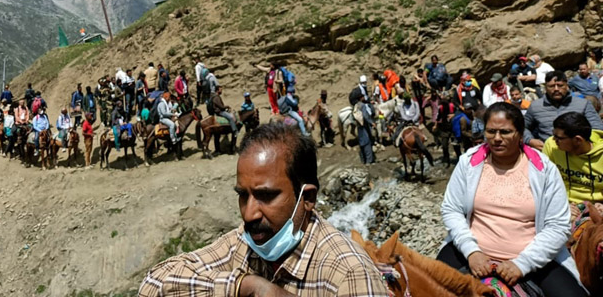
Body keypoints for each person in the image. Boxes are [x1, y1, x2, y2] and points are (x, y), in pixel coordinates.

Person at [139, 123, 388, 296]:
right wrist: (243, 286)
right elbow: (153, 285)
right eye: (242, 196)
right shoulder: (244, 245)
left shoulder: (349, 274)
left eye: (266, 196)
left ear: (307, 198)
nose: (249, 214)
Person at [438, 102, 585, 296]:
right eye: (491, 131)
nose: (497, 138)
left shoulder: (544, 169)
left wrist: (522, 263)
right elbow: (451, 208)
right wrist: (471, 251)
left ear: (520, 134)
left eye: (505, 132)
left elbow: (558, 226)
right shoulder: (469, 162)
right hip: (471, 251)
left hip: (531, 256)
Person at [524, 71, 603, 149]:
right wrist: (530, 140)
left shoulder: (583, 104)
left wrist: (583, 144)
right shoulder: (535, 106)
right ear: (545, 88)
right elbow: (522, 127)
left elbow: (597, 128)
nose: (556, 89)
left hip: (578, 153)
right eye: (551, 86)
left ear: (567, 86)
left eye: (560, 85)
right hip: (548, 153)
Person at [542, 112, 603, 212]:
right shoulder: (552, 146)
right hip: (561, 204)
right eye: (554, 135)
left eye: (559, 138)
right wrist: (559, 205)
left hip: (596, 206)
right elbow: (543, 181)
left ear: (578, 140)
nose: (554, 140)